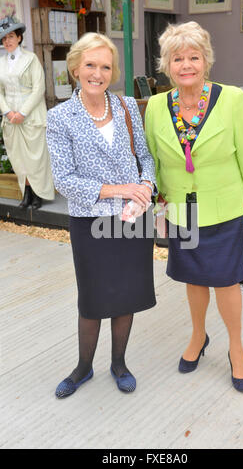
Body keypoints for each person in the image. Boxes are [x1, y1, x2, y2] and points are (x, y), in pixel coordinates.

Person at [145, 22, 243, 393]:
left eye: (193, 56)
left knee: (227, 280)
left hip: (225, 206)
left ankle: (236, 348)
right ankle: (198, 336)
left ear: (205, 60)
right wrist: (159, 206)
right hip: (181, 208)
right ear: (167, 64)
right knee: (194, 277)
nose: (186, 65)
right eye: (177, 58)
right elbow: (155, 160)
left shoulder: (231, 99)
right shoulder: (157, 107)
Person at [46, 32, 157, 398]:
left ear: (114, 71)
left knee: (127, 294)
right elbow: (64, 180)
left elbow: (145, 158)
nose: (98, 73)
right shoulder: (60, 117)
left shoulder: (126, 107)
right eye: (90, 65)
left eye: (105, 66)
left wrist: (144, 187)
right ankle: (83, 368)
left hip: (131, 217)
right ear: (75, 68)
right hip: (90, 220)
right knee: (93, 299)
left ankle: (119, 363)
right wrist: (120, 189)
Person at [0, 15, 55, 209]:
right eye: (4, 38)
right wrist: (7, 112)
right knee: (19, 159)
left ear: (19, 38)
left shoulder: (31, 59)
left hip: (31, 118)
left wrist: (22, 112)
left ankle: (38, 194)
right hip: (11, 120)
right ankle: (27, 193)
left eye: (11, 36)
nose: (7, 41)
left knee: (35, 158)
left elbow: (38, 88)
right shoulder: (1, 63)